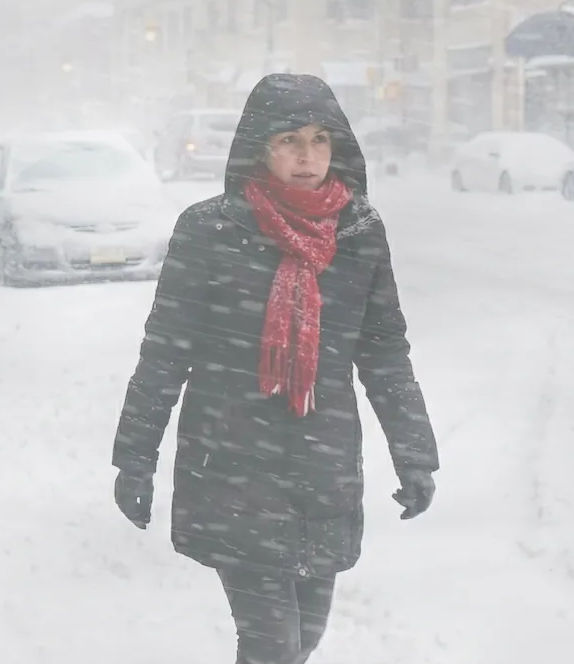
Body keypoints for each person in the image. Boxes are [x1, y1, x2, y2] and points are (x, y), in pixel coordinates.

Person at [110, 74, 439, 664]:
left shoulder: (358, 231)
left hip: (323, 468)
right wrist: (135, 459)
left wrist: (414, 454)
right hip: (232, 466)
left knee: (304, 638)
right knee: (273, 646)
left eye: (319, 139)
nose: (307, 155)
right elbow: (165, 352)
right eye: (290, 140)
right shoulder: (210, 230)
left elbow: (385, 352)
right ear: (260, 148)